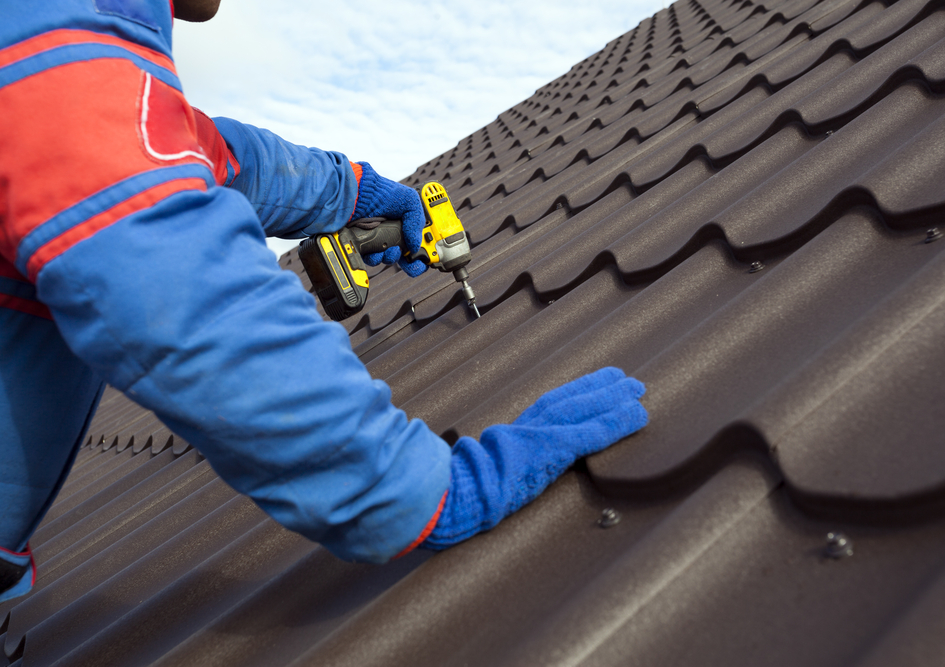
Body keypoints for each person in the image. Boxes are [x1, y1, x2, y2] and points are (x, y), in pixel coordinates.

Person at [0, 0, 648, 603]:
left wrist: (355, 193)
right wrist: (419, 490)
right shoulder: (59, 70)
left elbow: (207, 154)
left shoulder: (52, 36)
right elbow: (181, 290)